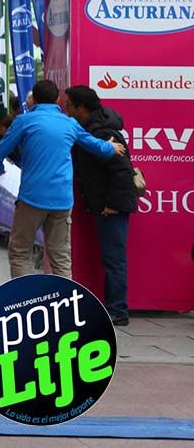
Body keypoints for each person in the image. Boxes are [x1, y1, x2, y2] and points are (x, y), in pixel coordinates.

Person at [0, 80, 124, 280]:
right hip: (62, 200)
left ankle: (27, 303)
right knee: (61, 257)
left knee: (20, 251)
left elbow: (0, 152)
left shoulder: (24, 121)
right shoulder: (69, 123)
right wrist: (110, 147)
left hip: (31, 198)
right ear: (57, 100)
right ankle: (64, 305)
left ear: (34, 100)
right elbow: (96, 146)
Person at [62, 84, 138, 326]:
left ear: (81, 107)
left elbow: (122, 171)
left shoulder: (103, 132)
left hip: (111, 206)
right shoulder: (91, 128)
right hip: (103, 204)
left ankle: (118, 310)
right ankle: (113, 307)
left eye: (69, 104)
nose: (66, 108)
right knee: (111, 258)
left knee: (114, 259)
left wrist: (113, 204)